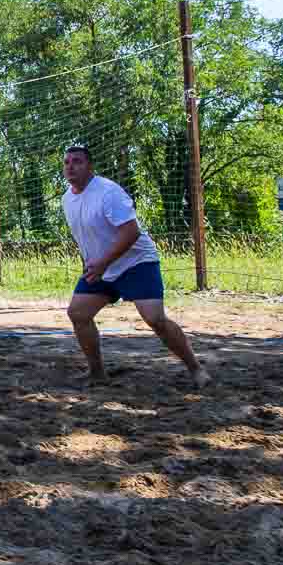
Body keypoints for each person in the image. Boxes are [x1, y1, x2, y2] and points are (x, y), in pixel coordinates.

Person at [61, 146, 209, 388]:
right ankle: (97, 373)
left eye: (77, 161)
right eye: (67, 162)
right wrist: (95, 264)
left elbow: (131, 232)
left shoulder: (108, 192)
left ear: (90, 166)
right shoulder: (67, 199)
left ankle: (196, 368)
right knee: (78, 314)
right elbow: (88, 236)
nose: (70, 166)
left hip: (136, 262)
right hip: (102, 267)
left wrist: (102, 263)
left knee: (155, 319)